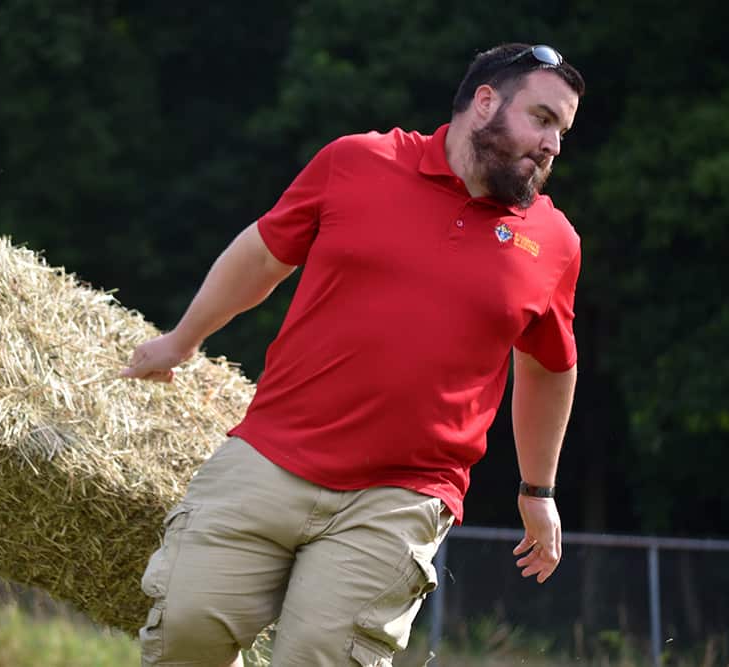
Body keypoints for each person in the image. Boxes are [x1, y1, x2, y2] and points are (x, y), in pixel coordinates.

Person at [122, 42, 586, 667]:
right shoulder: (357, 161)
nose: (554, 144)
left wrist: (539, 489)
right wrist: (181, 340)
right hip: (271, 453)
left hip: (402, 495)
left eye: (563, 130)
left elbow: (549, 366)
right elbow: (262, 257)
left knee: (320, 658)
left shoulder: (554, 242)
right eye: (543, 118)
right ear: (484, 103)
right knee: (182, 633)